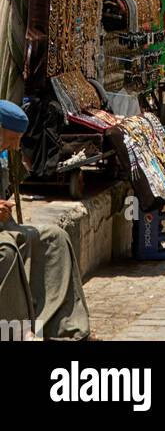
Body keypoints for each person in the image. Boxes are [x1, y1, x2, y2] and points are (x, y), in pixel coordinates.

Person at [0, 100, 90, 340]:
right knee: (7, 251)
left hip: (4, 226)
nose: (16, 145)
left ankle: (66, 327)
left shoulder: (2, 157)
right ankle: (17, 331)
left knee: (55, 238)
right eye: (12, 138)